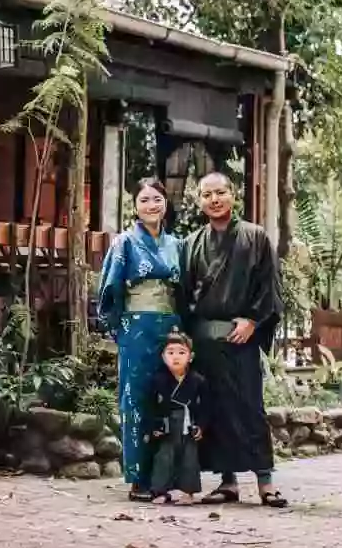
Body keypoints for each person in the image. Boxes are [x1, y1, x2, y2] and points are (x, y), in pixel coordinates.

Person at [179, 171, 288, 508]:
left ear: (233, 195)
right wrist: (188, 337)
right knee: (214, 410)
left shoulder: (255, 237)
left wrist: (254, 321)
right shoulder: (191, 243)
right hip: (205, 339)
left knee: (249, 408)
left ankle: (265, 481)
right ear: (199, 201)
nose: (214, 199)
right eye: (207, 194)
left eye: (220, 192)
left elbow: (269, 286)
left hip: (241, 337)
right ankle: (228, 482)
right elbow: (184, 295)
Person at [97, 178, 182, 502]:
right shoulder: (124, 243)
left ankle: (166, 476)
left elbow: (184, 290)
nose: (151, 205)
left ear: (165, 203)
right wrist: (120, 329)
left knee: (170, 398)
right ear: (135, 206)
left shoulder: (177, 244)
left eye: (157, 199)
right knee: (136, 399)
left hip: (170, 326)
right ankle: (138, 479)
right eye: (144, 199)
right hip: (137, 326)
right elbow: (109, 291)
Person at [147, 330, 207, 505]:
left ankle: (188, 493)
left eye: (181, 352)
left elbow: (206, 406)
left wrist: (202, 425)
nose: (176, 357)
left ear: (191, 356)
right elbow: (150, 406)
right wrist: (154, 426)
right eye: (170, 352)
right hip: (166, 423)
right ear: (163, 356)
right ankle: (160, 491)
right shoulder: (158, 380)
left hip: (189, 423)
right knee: (163, 457)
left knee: (190, 458)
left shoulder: (197, 380)